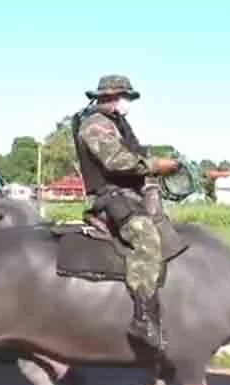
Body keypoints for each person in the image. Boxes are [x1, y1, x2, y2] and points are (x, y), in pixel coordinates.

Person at [71, 74, 179, 353]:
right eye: (125, 97)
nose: (128, 102)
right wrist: (156, 165)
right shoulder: (95, 125)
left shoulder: (117, 123)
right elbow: (116, 161)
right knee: (147, 240)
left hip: (128, 193)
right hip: (111, 197)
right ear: (110, 98)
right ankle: (142, 319)